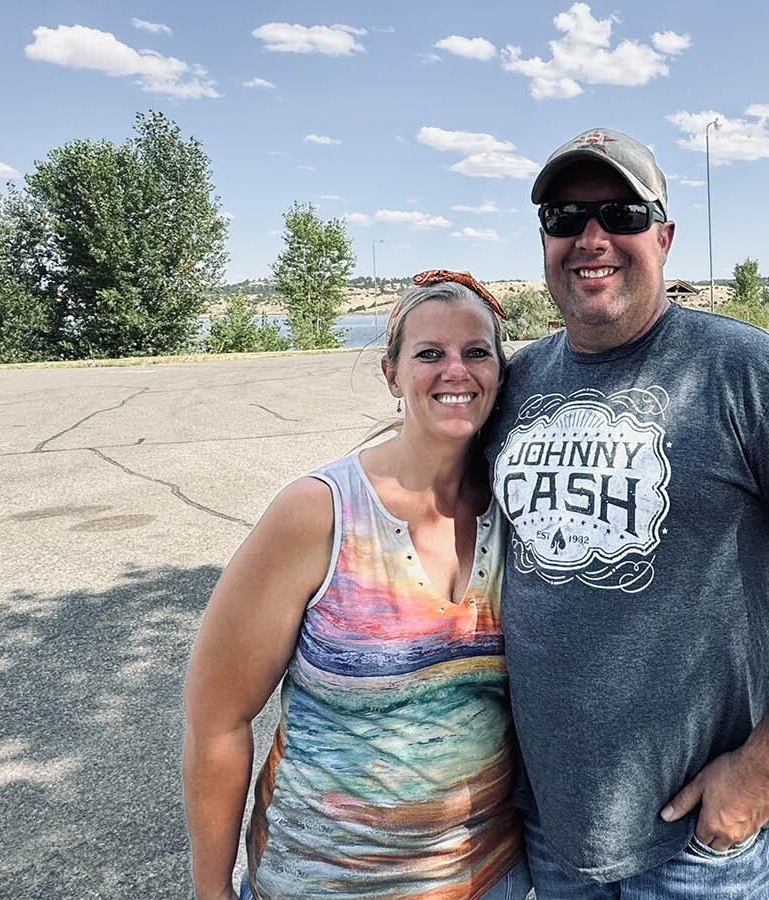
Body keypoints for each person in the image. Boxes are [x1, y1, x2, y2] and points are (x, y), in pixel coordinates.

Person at [486, 127, 769, 897]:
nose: (591, 238)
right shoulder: (515, 385)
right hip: (550, 829)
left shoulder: (748, 372)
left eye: (620, 214)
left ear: (664, 235)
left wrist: (761, 772)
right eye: (563, 217)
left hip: (696, 850)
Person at [183, 272, 532, 900]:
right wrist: (211, 892)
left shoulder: (520, 511)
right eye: (430, 354)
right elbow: (218, 722)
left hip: (490, 878)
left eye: (476, 352)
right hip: (324, 880)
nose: (456, 370)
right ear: (391, 373)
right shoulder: (320, 513)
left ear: (500, 372)